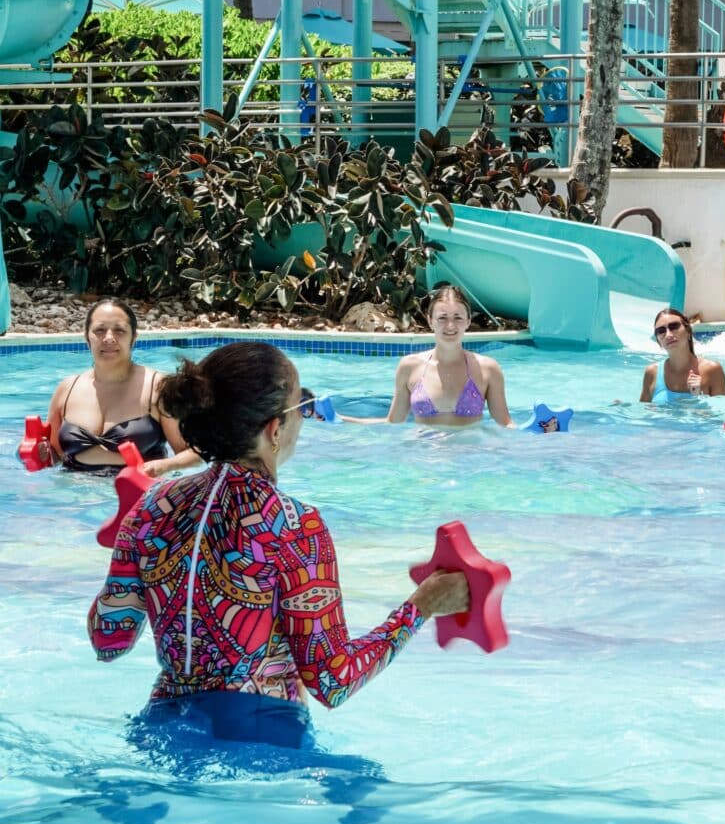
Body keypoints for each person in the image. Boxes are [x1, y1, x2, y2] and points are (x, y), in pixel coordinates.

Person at [87, 341, 469, 749]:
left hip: (161, 734)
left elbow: (108, 641)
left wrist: (138, 558)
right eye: (300, 407)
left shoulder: (152, 507)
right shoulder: (293, 524)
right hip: (262, 742)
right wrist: (422, 606)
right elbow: (332, 680)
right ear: (274, 428)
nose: (303, 419)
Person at [47, 298, 200, 476]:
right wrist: (34, 453)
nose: (109, 338)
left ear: (133, 338)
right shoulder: (66, 389)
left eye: (119, 330)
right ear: (87, 337)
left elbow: (195, 453)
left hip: (139, 495)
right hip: (71, 496)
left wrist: (163, 467)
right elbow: (55, 455)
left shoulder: (159, 388)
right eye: (99, 330)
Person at [342, 285, 514, 427]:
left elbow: (505, 425)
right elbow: (392, 423)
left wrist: (537, 428)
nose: (450, 325)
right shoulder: (409, 367)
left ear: (468, 321)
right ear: (430, 320)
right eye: (442, 318)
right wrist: (340, 419)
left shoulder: (488, 369)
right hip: (423, 461)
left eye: (458, 318)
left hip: (470, 462)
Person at [640, 307, 725, 403]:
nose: (668, 335)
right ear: (658, 342)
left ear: (688, 331)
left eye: (674, 326)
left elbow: (724, 415)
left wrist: (699, 396)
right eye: (661, 331)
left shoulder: (712, 370)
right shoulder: (652, 373)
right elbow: (641, 413)